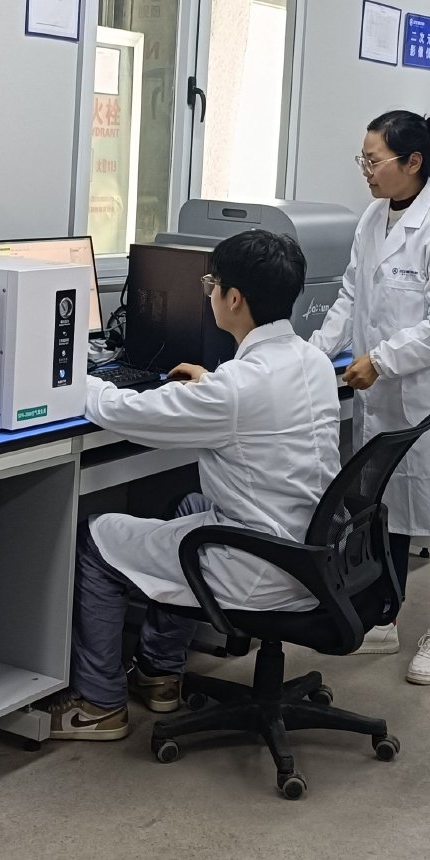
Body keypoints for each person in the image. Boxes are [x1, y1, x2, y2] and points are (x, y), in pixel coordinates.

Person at [46, 228, 341, 741]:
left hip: (260, 568)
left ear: (233, 299)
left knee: (95, 539)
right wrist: (212, 386)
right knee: (188, 505)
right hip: (313, 555)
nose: (209, 294)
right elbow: (248, 405)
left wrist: (72, 376)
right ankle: (159, 671)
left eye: (212, 285)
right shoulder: (311, 360)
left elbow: (127, 413)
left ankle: (99, 703)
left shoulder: (235, 390)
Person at [312, 110, 430, 686]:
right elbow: (350, 296)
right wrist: (316, 353)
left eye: (373, 160)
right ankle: (385, 616)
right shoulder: (372, 218)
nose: (365, 170)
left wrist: (381, 360)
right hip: (382, 397)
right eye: (362, 159)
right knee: (385, 509)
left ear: (413, 162)